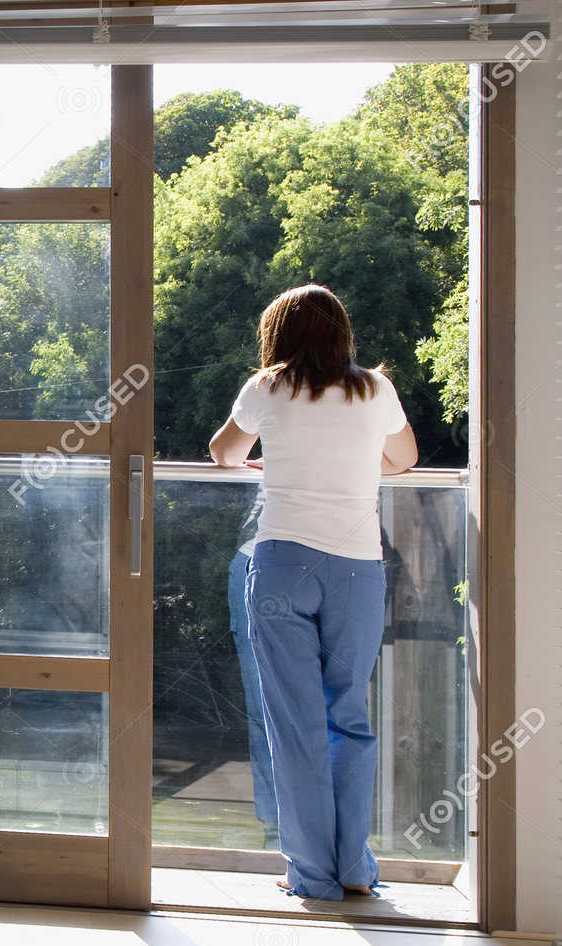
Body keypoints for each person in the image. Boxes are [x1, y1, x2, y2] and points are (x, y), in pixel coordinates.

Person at [207, 284, 418, 901]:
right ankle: (354, 868)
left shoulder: (266, 387)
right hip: (357, 568)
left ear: (279, 336)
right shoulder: (374, 389)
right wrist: (351, 462)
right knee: (347, 717)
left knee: (294, 723)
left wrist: (273, 462)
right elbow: (402, 459)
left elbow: (224, 453)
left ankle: (311, 876)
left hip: (282, 565)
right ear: (342, 334)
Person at [227, 489, 280, 851]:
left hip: (332, 563)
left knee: (327, 703)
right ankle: (276, 826)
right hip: (254, 561)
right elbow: (224, 454)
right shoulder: (269, 430)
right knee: (263, 707)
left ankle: (323, 831)